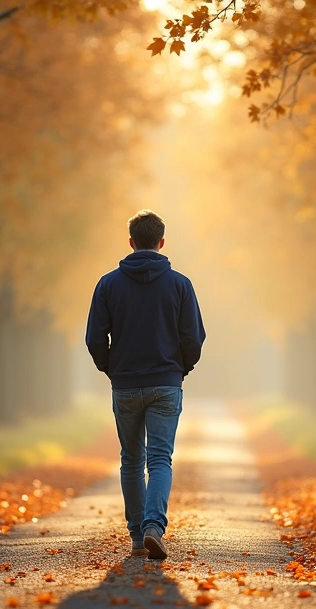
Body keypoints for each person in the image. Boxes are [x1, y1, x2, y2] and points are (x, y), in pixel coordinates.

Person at [85, 210, 206, 560]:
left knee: (131, 459)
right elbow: (193, 337)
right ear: (162, 242)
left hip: (125, 384)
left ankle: (138, 536)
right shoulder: (180, 284)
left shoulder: (108, 284)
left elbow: (95, 338)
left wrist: (111, 368)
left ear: (131, 242)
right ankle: (155, 526)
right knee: (159, 459)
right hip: (166, 383)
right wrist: (182, 369)